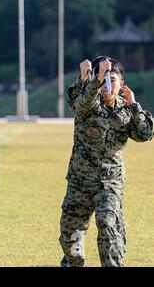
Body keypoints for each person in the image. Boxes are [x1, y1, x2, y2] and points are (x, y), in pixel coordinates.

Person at [59, 57, 154, 267]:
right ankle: (77, 263)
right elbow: (80, 103)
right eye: (102, 80)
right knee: (69, 236)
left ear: (122, 84)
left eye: (111, 79)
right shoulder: (88, 102)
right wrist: (93, 79)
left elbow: (144, 134)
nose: (106, 85)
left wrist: (135, 107)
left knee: (108, 222)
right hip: (80, 182)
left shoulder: (128, 110)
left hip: (110, 182)